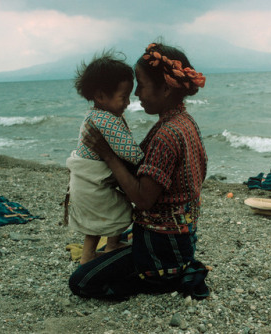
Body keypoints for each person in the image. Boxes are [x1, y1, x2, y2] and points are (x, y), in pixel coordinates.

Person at [68, 42, 210, 300]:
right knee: (111, 240)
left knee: (81, 282)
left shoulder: (167, 133)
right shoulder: (185, 123)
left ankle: (158, 278)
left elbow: (143, 199)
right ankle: (165, 270)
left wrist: (108, 155)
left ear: (165, 88)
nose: (138, 96)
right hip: (182, 238)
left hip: (161, 246)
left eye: (142, 86)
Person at [66, 50, 144, 265]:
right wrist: (149, 159)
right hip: (92, 185)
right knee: (120, 211)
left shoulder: (95, 114)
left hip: (85, 184)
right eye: (123, 96)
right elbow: (131, 153)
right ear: (101, 96)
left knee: (96, 221)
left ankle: (96, 252)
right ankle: (100, 251)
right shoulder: (105, 120)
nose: (128, 102)